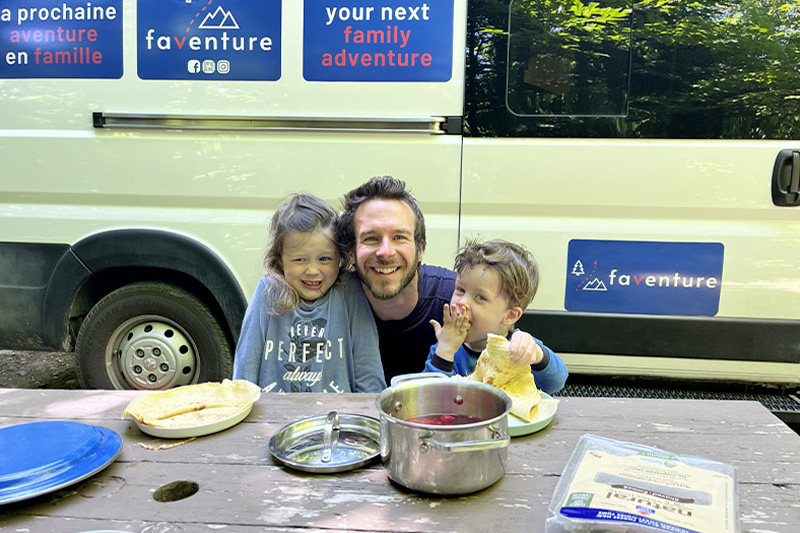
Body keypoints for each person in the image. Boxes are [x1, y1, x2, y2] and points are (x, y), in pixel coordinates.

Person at [335, 175, 543, 383]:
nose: (385, 252)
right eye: (371, 239)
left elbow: (534, 375)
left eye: (399, 237)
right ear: (351, 253)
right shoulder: (334, 306)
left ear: (420, 250)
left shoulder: (457, 303)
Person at [233, 194, 386, 393]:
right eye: (299, 260)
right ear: (280, 259)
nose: (313, 270)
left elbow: (369, 372)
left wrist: (368, 409)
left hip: (339, 413)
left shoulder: (349, 291)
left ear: (339, 257)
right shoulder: (268, 291)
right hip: (274, 413)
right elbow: (246, 368)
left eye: (324, 259)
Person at [423, 239, 568, 394]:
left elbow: (556, 382)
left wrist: (537, 355)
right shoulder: (446, 347)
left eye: (480, 297)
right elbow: (429, 397)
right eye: (460, 290)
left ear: (510, 315)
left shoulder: (518, 347)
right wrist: (445, 351)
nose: (462, 302)